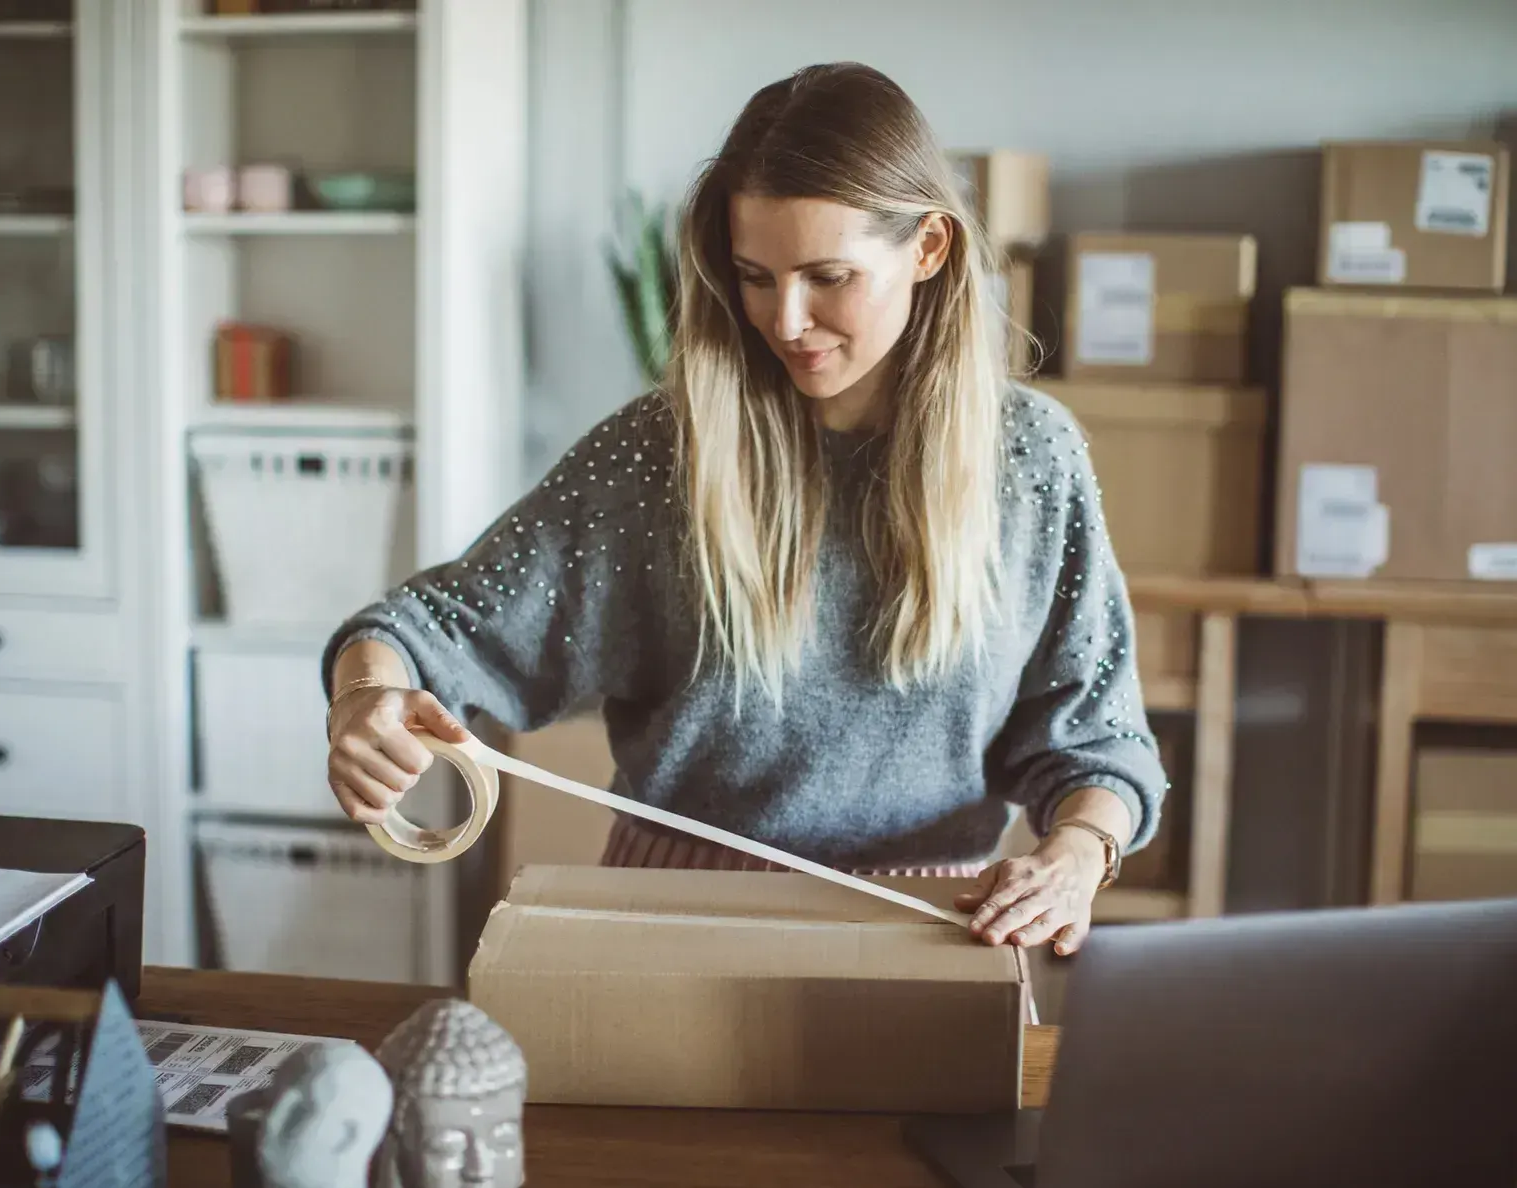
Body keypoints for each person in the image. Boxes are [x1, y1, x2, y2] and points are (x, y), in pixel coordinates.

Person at [322, 61, 1165, 955]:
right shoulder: (658, 453)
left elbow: (1098, 740)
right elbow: (426, 629)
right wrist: (366, 698)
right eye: (755, 276)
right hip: (674, 932)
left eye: (827, 276)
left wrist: (1077, 852)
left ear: (928, 249)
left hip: (933, 939)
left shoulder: (1031, 460)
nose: (786, 319)